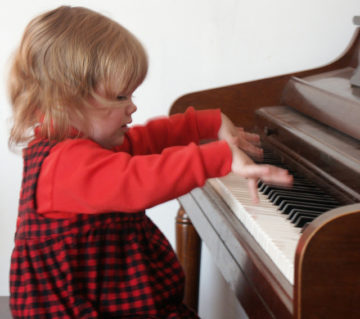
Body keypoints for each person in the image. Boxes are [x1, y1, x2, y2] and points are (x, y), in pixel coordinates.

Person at [7, 6, 293, 319]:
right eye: (120, 98)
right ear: (66, 99)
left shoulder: (85, 147)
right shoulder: (63, 165)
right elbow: (135, 180)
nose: (132, 107)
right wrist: (219, 157)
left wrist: (206, 124)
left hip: (117, 300)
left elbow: (146, 139)